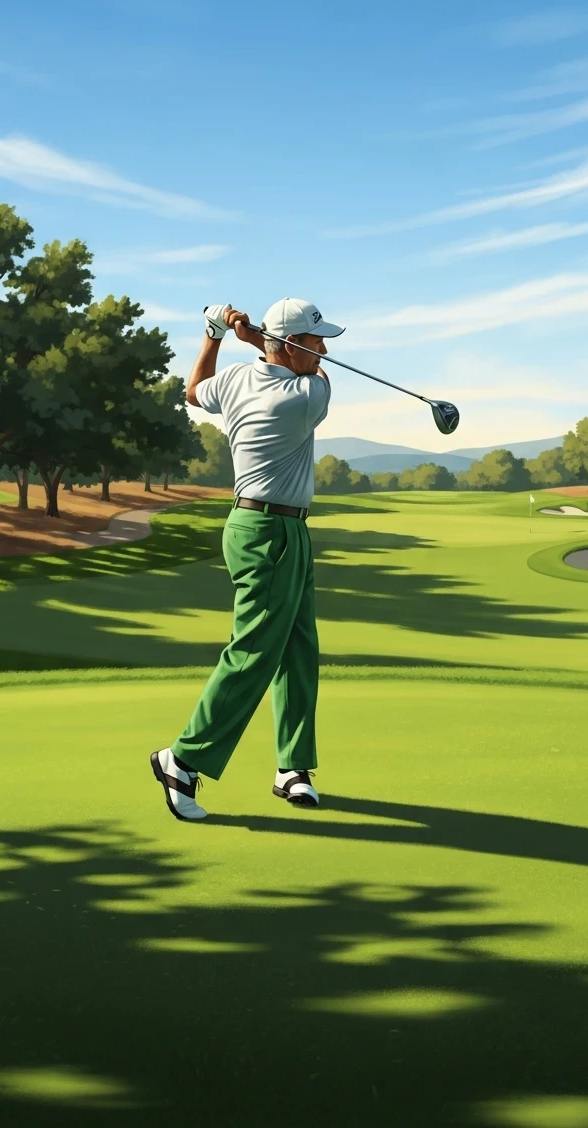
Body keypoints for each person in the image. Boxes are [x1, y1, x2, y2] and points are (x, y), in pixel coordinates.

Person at [150, 297, 344, 822]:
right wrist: (255, 336)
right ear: (289, 345)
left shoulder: (236, 380)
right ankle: (182, 759)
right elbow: (311, 373)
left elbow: (193, 392)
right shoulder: (306, 396)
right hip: (268, 532)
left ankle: (292, 767)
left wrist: (214, 333)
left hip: (281, 529)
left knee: (298, 646)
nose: (323, 350)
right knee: (255, 648)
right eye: (316, 340)